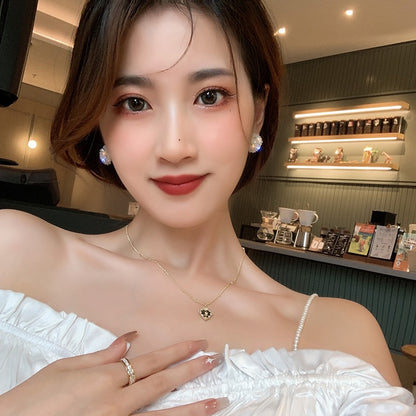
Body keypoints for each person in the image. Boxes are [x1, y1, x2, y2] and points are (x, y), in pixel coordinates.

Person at [0, 0, 414, 414]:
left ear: (259, 112)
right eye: (134, 102)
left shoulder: (342, 342)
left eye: (210, 96)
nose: (174, 147)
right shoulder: (15, 252)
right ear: (99, 119)